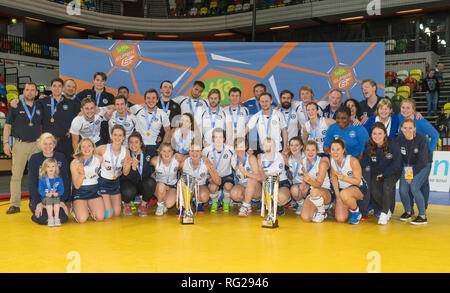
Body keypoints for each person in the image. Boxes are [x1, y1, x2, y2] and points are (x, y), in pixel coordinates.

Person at [4, 82, 43, 214]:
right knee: (16, 175)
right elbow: (8, 125)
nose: (30, 92)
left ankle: (37, 201)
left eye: (33, 90)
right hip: (19, 144)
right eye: (27, 90)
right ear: (23, 92)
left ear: (36, 93)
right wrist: (5, 143)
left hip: (37, 145)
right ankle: (15, 204)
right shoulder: (15, 106)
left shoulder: (41, 106)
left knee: (38, 175)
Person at [398, 98, 439, 210]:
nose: (405, 110)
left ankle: (423, 207)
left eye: (408, 108)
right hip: (409, 159)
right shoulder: (400, 117)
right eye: (403, 107)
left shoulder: (421, 121)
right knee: (409, 183)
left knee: (423, 182)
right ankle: (410, 208)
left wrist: (428, 151)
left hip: (422, 158)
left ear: (413, 109)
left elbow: (435, 136)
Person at [361, 122, 402, 225]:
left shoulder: (393, 145)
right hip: (377, 172)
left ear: (385, 134)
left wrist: (385, 174)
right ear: (371, 134)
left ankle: (384, 213)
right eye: (374, 133)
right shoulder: (368, 145)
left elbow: (397, 164)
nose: (377, 136)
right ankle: (387, 209)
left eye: (380, 133)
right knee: (374, 191)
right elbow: (365, 162)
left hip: (393, 171)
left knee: (387, 186)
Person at [28, 132, 70, 225]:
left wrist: (62, 201)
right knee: (43, 219)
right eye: (45, 144)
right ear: (40, 145)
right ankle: (36, 211)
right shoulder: (34, 158)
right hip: (40, 197)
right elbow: (32, 182)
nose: (48, 146)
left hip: (56, 198)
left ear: (54, 145)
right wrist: (39, 202)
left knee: (62, 218)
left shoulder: (61, 157)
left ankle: (51, 213)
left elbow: (66, 180)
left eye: (50, 143)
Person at [396, 119, 433, 225]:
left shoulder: (422, 140)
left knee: (414, 187)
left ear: (415, 128)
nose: (407, 130)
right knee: (403, 190)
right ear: (401, 129)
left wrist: (411, 174)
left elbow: (422, 161)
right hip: (408, 166)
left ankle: (422, 216)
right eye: (405, 128)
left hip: (423, 165)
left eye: (410, 128)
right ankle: (408, 211)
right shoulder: (399, 139)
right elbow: (398, 157)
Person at [96, 125, 132, 219]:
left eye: (120, 135)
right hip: (103, 181)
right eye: (115, 135)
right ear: (111, 135)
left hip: (115, 182)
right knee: (109, 214)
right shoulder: (103, 148)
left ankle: (104, 203)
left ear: (124, 137)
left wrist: (129, 165)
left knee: (117, 213)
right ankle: (95, 205)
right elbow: (89, 154)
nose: (117, 138)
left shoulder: (126, 151)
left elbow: (126, 173)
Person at [329, 139, 368, 224]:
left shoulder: (353, 161)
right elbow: (334, 178)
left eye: (338, 149)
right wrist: (337, 195)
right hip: (343, 189)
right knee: (340, 219)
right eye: (333, 149)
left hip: (359, 187)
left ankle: (355, 212)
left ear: (343, 150)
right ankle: (347, 203)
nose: (335, 152)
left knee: (344, 194)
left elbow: (358, 181)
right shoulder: (332, 160)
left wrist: (344, 178)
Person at [120, 132, 156, 217]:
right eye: (131, 142)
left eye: (136, 142)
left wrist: (155, 171)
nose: (133, 145)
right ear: (128, 144)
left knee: (151, 182)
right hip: (129, 184)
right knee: (128, 191)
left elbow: (160, 157)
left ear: (141, 143)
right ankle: (127, 204)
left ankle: (143, 205)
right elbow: (125, 175)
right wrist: (133, 168)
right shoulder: (126, 155)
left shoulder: (148, 154)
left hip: (142, 184)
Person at [70, 138, 105, 223]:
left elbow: (107, 149)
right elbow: (77, 185)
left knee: (100, 218)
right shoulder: (75, 163)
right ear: (80, 149)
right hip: (80, 191)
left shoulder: (99, 159)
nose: (86, 149)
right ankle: (75, 208)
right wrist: (82, 174)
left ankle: (89, 205)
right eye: (83, 147)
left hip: (94, 190)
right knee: (82, 219)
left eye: (89, 146)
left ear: (93, 148)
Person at [181, 140, 221, 214]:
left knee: (204, 197)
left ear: (201, 152)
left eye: (197, 151)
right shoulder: (183, 162)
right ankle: (184, 204)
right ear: (189, 152)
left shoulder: (206, 162)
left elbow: (219, 182)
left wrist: (213, 171)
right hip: (187, 187)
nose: (195, 153)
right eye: (192, 151)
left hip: (200, 186)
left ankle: (198, 202)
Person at [298, 140, 333, 223]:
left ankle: (323, 211)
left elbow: (319, 184)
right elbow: (305, 173)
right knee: (305, 218)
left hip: (325, 192)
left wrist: (309, 181)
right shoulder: (303, 161)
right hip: (313, 192)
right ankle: (318, 208)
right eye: (308, 150)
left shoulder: (322, 163)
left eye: (313, 150)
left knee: (314, 191)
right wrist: (303, 184)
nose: (310, 152)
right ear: (304, 151)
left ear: (317, 151)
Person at [76, 72, 115, 144]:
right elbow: (74, 102)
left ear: (105, 83)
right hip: (85, 129)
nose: (99, 83)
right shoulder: (85, 93)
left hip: (103, 130)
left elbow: (114, 106)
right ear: (93, 81)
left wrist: (100, 108)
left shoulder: (110, 96)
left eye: (102, 81)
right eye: (97, 80)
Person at [131, 88, 171, 158]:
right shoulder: (137, 109)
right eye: (148, 98)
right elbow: (123, 110)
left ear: (157, 100)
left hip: (154, 147)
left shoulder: (162, 114)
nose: (151, 101)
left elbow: (168, 131)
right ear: (145, 100)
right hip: (138, 146)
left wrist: (162, 146)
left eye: (153, 98)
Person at [202, 128, 235, 213]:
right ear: (212, 138)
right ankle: (215, 202)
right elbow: (203, 165)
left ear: (224, 139)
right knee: (212, 187)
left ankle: (226, 202)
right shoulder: (206, 150)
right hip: (213, 176)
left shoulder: (230, 149)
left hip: (226, 175)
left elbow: (240, 156)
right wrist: (208, 176)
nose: (218, 139)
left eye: (220, 137)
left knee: (228, 186)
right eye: (216, 137)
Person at [257, 137, 291, 216]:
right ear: (263, 147)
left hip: (282, 183)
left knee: (281, 197)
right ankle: (270, 206)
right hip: (268, 184)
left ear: (275, 147)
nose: (268, 148)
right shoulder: (260, 158)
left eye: (270, 146)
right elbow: (262, 178)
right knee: (265, 198)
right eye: (266, 146)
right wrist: (260, 168)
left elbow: (291, 166)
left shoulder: (281, 155)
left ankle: (279, 205)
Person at [230, 137, 263, 217]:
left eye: (241, 147)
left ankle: (245, 206)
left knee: (251, 180)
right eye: (237, 147)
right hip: (243, 186)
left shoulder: (251, 158)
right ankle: (247, 203)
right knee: (234, 193)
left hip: (256, 189)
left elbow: (260, 178)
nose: (239, 149)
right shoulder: (233, 158)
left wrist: (245, 173)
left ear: (245, 147)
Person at [151, 142, 183, 216]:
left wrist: (182, 155)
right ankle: (160, 205)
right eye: (164, 151)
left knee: (169, 204)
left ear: (173, 152)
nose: (167, 153)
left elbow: (188, 159)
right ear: (160, 152)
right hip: (159, 186)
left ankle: (163, 203)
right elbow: (146, 169)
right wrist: (151, 175)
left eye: (169, 151)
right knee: (161, 186)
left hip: (172, 185)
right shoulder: (155, 161)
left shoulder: (177, 160)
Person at [38, 158, 65, 227]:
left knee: (57, 200)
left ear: (56, 168)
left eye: (53, 166)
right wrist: (46, 194)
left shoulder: (58, 179)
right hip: (46, 198)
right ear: (45, 168)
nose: (51, 168)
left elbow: (61, 189)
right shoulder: (42, 179)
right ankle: (50, 218)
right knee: (49, 200)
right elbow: (40, 190)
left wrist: (58, 193)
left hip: (55, 197)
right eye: (48, 166)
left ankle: (56, 218)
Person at [284, 137, 306, 215]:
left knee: (301, 188)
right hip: (296, 184)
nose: (294, 148)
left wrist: (305, 183)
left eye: (297, 145)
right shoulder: (289, 158)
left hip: (308, 184)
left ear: (301, 146)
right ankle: (301, 203)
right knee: (294, 189)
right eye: (291, 145)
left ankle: (310, 204)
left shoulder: (306, 157)